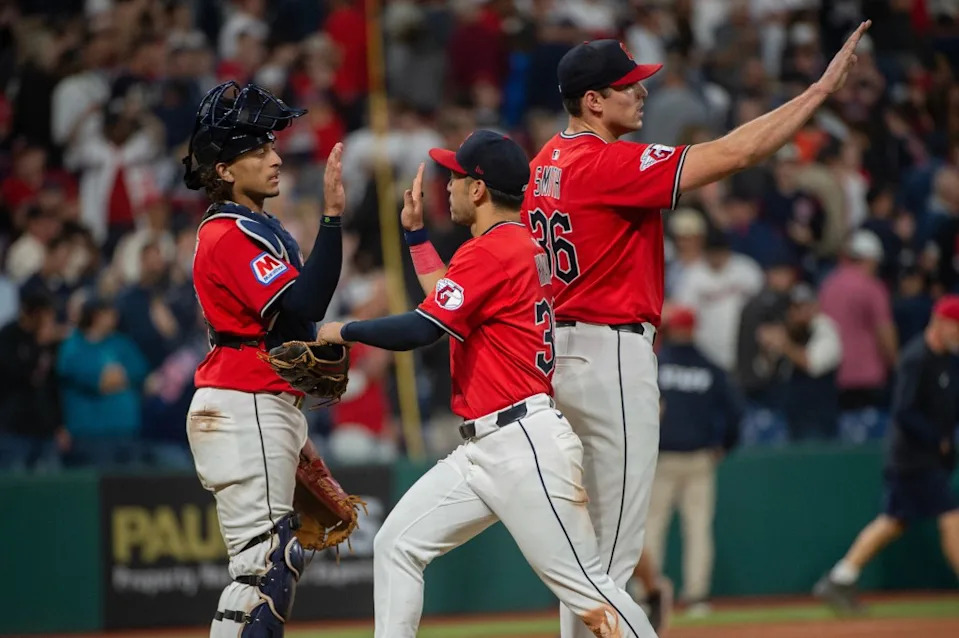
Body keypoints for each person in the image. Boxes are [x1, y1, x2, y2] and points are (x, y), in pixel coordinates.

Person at [522, 22, 872, 638]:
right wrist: (816, 93)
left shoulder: (544, 162)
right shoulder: (604, 163)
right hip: (610, 357)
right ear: (594, 101)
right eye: (628, 85)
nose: (643, 94)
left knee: (584, 558)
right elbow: (736, 153)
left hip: (560, 355)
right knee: (612, 561)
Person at [317, 130, 658, 638]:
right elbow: (449, 302)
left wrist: (341, 330)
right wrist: (415, 237)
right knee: (398, 544)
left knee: (590, 590)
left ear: (478, 189)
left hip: (524, 444)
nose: (446, 186)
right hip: (487, 446)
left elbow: (422, 327)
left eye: (454, 177)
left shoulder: (493, 250)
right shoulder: (516, 245)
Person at [181, 81, 345, 637]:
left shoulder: (253, 227)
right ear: (224, 169)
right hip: (242, 400)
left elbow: (296, 326)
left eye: (272, 147)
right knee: (263, 568)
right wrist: (332, 218)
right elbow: (306, 303)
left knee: (266, 568)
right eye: (257, 151)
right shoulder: (227, 234)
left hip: (255, 400)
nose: (275, 158)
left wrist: (296, 430)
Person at [814, 295, 959, 612]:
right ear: (941, 323)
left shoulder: (945, 360)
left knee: (893, 521)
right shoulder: (916, 358)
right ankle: (839, 578)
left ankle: (841, 577)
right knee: (951, 519)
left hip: (929, 457)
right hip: (913, 458)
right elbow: (903, 411)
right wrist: (937, 439)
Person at [639, 306, 741, 618]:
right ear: (693, 329)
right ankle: (696, 597)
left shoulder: (656, 363)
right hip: (699, 458)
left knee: (651, 528)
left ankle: (647, 595)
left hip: (663, 459)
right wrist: (724, 444)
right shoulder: (711, 366)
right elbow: (736, 412)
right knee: (697, 528)